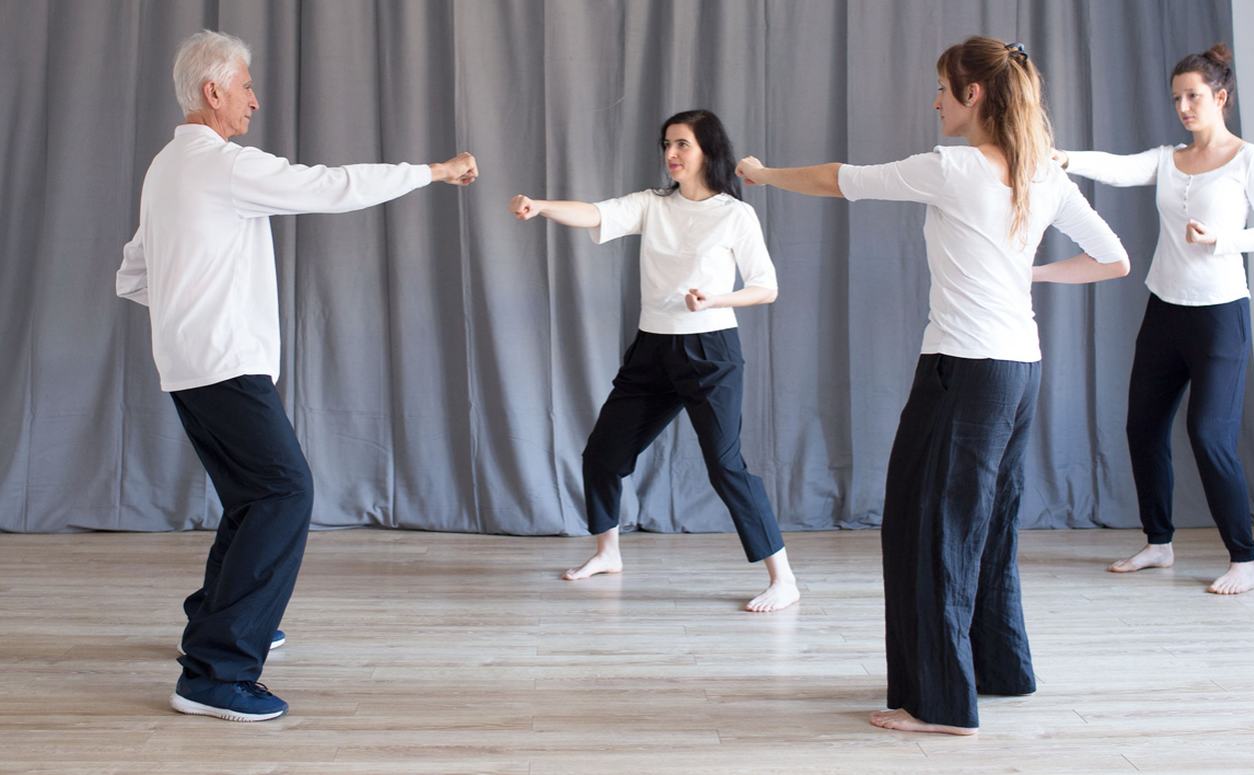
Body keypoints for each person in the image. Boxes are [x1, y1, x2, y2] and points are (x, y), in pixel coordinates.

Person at [736, 37, 1129, 733]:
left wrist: (763, 174)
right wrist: (1027, 274)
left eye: (944, 88)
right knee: (987, 527)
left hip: (963, 371)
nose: (936, 100)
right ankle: (998, 670)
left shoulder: (954, 168)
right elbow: (1115, 259)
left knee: (929, 529)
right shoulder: (1042, 174)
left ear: (974, 94)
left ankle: (941, 705)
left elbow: (840, 179)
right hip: (1019, 371)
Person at [116, 30, 477, 721]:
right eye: (246, 86)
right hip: (225, 363)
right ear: (213, 92)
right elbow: (332, 186)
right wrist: (432, 171)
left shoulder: (166, 166)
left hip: (189, 364)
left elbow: (134, 273)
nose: (255, 100)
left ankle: (221, 621)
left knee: (251, 499)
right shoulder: (221, 164)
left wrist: (189, 305)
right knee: (284, 492)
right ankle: (215, 673)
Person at [508, 109, 800, 613]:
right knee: (602, 454)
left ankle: (783, 579)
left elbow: (766, 287)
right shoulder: (653, 204)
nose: (671, 154)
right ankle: (608, 553)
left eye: (683, 144)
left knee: (726, 467)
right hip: (653, 349)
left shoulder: (734, 214)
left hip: (710, 352)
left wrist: (715, 299)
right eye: (667, 144)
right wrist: (541, 206)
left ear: (708, 150)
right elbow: (596, 213)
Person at [1055, 43, 1254, 595]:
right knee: (1143, 427)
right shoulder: (1167, 159)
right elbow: (1117, 168)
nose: (1183, 107)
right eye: (1177, 98)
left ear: (1220, 97)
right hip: (1165, 311)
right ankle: (1158, 543)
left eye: (1193, 96)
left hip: (1220, 316)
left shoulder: (1249, 159)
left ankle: (1245, 559)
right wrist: (1064, 159)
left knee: (1209, 434)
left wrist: (1222, 239)